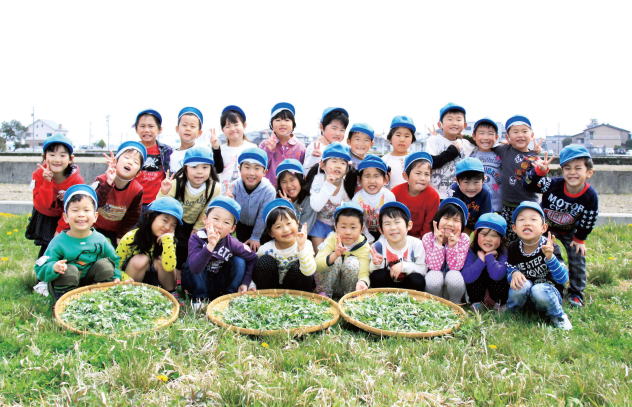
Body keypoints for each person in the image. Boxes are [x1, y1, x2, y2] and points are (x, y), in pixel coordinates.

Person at [523, 145, 599, 307]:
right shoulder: (553, 184)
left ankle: (576, 293)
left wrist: (580, 239)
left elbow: (589, 219)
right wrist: (538, 173)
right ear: (562, 171)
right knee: (544, 253)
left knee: (577, 255)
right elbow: (528, 185)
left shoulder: (590, 195)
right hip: (546, 228)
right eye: (567, 168)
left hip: (570, 229)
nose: (572, 172)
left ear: (589, 172)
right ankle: (548, 284)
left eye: (578, 168)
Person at [34, 185, 120, 301]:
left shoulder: (100, 240)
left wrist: (116, 276)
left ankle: (100, 298)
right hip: (65, 284)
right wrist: (54, 267)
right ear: (65, 217)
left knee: (105, 265)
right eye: (75, 210)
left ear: (95, 216)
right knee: (70, 271)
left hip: (90, 282)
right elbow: (40, 268)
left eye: (86, 210)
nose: (81, 214)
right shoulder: (58, 242)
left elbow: (115, 260)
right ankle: (65, 302)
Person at [506, 201, 572, 330]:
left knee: (539, 290)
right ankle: (513, 312)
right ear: (514, 228)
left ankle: (558, 316)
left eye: (533, 219)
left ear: (544, 228)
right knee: (520, 284)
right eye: (521, 220)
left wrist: (550, 257)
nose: (527, 223)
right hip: (527, 294)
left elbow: (563, 279)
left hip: (548, 294)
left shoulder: (550, 247)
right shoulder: (514, 247)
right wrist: (513, 273)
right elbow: (509, 267)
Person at [183, 196, 257, 306]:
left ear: (232, 229)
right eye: (215, 219)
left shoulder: (232, 243)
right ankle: (200, 299)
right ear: (205, 219)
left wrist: (246, 282)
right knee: (191, 261)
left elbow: (253, 258)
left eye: (226, 222)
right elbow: (195, 268)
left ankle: (228, 296)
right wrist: (210, 245)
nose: (219, 225)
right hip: (198, 281)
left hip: (218, 282)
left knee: (239, 261)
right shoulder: (197, 238)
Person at [157, 146, 220, 272]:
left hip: (196, 224)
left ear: (211, 169)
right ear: (185, 168)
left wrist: (197, 227)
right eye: (194, 167)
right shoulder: (176, 184)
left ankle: (185, 273)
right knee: (171, 246)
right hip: (175, 221)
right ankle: (167, 271)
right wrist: (163, 192)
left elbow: (207, 210)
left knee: (191, 247)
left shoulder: (214, 188)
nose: (199, 172)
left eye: (205, 167)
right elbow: (161, 206)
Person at [27, 134, 84, 258]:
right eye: (52, 155)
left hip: (67, 216)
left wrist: (60, 229)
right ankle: (43, 267)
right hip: (46, 215)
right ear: (44, 157)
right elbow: (42, 205)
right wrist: (47, 182)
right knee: (47, 247)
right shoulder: (38, 175)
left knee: (65, 246)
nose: (57, 159)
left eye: (62, 155)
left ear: (71, 159)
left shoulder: (76, 181)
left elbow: (75, 208)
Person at [116, 197, 183, 293]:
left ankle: (170, 294)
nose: (168, 227)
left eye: (173, 225)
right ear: (151, 217)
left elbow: (169, 267)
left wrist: (168, 242)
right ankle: (129, 292)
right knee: (140, 260)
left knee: (162, 261)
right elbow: (115, 266)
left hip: (158, 282)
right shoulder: (131, 237)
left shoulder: (169, 239)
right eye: (165, 220)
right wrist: (125, 278)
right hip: (133, 279)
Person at [252, 199, 316, 291]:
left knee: (298, 267)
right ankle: (267, 296)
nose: (285, 229)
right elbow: (253, 270)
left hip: (297, 289)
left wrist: (301, 248)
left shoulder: (306, 244)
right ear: (271, 233)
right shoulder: (265, 249)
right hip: (272, 289)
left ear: (297, 223)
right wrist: (251, 285)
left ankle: (297, 298)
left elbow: (309, 272)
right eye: (278, 227)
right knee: (264, 261)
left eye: (289, 223)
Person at [92, 141, 146, 246]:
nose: (130, 162)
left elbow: (132, 217)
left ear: (138, 173)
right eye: (126, 157)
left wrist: (121, 235)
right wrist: (108, 183)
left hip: (115, 233)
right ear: (115, 161)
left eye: (135, 162)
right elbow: (94, 204)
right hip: (93, 228)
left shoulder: (137, 190)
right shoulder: (101, 180)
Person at [496, 115, 541, 240]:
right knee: (507, 237)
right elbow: (487, 142)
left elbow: (539, 182)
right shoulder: (504, 150)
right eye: (515, 132)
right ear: (508, 137)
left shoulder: (535, 157)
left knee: (527, 236)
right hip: (507, 205)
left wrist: (542, 171)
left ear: (532, 135)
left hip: (529, 204)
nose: (520, 135)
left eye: (524, 131)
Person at [306, 142, 357, 249]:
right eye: (334, 161)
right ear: (322, 165)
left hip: (338, 226)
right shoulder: (318, 180)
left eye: (343, 163)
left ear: (347, 169)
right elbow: (316, 206)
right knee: (320, 254)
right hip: (319, 224)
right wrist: (328, 184)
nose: (338, 165)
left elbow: (350, 207)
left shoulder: (346, 184)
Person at [315, 202, 370, 297]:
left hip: (350, 286)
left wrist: (363, 282)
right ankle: (325, 295)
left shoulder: (363, 245)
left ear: (361, 229)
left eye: (353, 227)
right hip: (330, 284)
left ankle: (349, 297)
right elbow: (317, 265)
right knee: (336, 259)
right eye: (343, 227)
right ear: (336, 227)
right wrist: (334, 255)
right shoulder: (332, 239)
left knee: (352, 262)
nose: (348, 232)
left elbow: (364, 272)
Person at [369, 202, 426, 291]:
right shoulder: (378, 246)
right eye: (387, 224)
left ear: (409, 225)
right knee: (377, 276)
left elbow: (423, 269)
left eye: (397, 222)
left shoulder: (416, 244)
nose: (393, 227)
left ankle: (411, 299)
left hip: (408, 284)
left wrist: (403, 266)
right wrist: (376, 264)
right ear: (381, 230)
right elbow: (370, 271)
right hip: (387, 284)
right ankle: (384, 297)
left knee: (417, 280)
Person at [228, 147, 277, 251]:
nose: (251, 173)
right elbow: (230, 212)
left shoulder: (269, 191)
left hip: (261, 229)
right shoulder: (234, 186)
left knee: (257, 253)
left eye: (257, 168)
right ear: (239, 168)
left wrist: (255, 237)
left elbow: (262, 216)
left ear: (265, 172)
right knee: (239, 251)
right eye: (247, 167)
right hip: (241, 226)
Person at [422, 198, 470, 303]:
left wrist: (452, 246)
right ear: (438, 220)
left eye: (456, 220)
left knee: (453, 275)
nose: (450, 224)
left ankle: (455, 303)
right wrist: (438, 243)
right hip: (434, 286)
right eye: (446, 218)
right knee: (434, 276)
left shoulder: (464, 239)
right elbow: (433, 267)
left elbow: (455, 267)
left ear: (462, 225)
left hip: (453, 287)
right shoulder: (428, 238)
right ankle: (433, 303)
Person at [461, 213, 509, 312]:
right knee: (474, 270)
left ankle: (499, 303)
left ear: (501, 239)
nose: (488, 239)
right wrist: (481, 260)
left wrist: (489, 257)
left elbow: (497, 275)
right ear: (476, 234)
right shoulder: (471, 251)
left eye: (494, 235)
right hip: (478, 291)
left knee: (500, 272)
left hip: (497, 292)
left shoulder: (504, 252)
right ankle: (477, 302)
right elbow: (467, 277)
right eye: (484, 234)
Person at [392, 152, 440, 239]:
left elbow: (429, 225)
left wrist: (422, 240)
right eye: (418, 173)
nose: (422, 178)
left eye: (427, 174)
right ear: (405, 176)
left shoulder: (433, 196)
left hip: (421, 239)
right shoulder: (395, 192)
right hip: (397, 235)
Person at [426, 103, 467, 199]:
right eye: (450, 119)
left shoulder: (466, 144)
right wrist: (453, 151)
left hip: (458, 196)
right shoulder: (434, 140)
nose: (454, 123)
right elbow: (431, 163)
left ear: (464, 125)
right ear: (440, 124)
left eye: (458, 119)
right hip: (435, 195)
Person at [133, 109, 172, 208]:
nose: (146, 130)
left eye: (151, 126)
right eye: (142, 126)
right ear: (136, 129)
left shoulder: (166, 151)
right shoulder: (131, 150)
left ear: (159, 129)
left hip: (157, 202)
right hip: (134, 202)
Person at [260, 102, 305, 185]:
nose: (282, 123)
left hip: (292, 190)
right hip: (269, 190)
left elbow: (304, 172)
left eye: (287, 120)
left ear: (293, 124)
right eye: (278, 120)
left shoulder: (300, 147)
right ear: (271, 124)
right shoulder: (264, 145)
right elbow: (260, 168)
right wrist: (269, 150)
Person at [169, 107, 224, 174]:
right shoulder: (169, 154)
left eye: (192, 126)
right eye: (184, 125)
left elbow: (218, 169)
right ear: (177, 129)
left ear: (199, 133)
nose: (188, 129)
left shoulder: (202, 152)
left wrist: (216, 148)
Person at [352, 155, 395, 242]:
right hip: (364, 233)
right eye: (367, 176)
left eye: (376, 176)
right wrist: (368, 239)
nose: (372, 181)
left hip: (385, 233)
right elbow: (357, 221)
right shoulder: (357, 199)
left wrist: (383, 238)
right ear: (360, 180)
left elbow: (391, 219)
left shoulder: (389, 196)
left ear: (385, 179)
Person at [464, 118, 503, 211]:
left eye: (490, 133)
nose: (486, 137)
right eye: (481, 133)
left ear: (496, 137)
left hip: (497, 206)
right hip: (475, 206)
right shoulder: (470, 155)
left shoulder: (501, 154)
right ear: (474, 136)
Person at [216, 105, 256, 192]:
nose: (232, 129)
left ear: (244, 125)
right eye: (228, 126)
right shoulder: (220, 150)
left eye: (236, 124)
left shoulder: (252, 148)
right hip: (223, 194)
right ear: (222, 130)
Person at [449, 157, 492, 234]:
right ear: (457, 181)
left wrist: (477, 232)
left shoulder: (485, 193)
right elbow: (449, 216)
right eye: (466, 182)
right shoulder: (452, 191)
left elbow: (485, 219)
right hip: (457, 224)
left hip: (476, 225)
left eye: (476, 182)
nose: (471, 188)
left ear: (483, 180)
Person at [275, 159, 317, 233]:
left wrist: (290, 209)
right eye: (284, 182)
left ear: (301, 179)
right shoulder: (276, 200)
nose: (289, 185)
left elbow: (303, 231)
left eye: (292, 180)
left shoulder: (310, 201)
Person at [304, 107, 349, 171]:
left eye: (342, 130)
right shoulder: (315, 147)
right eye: (334, 128)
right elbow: (306, 172)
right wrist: (314, 159)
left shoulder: (342, 149)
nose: (338, 133)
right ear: (321, 127)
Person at [382, 115, 416, 188]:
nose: (402, 139)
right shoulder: (384, 160)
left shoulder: (415, 160)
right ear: (390, 138)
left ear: (412, 139)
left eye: (407, 136)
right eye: (398, 135)